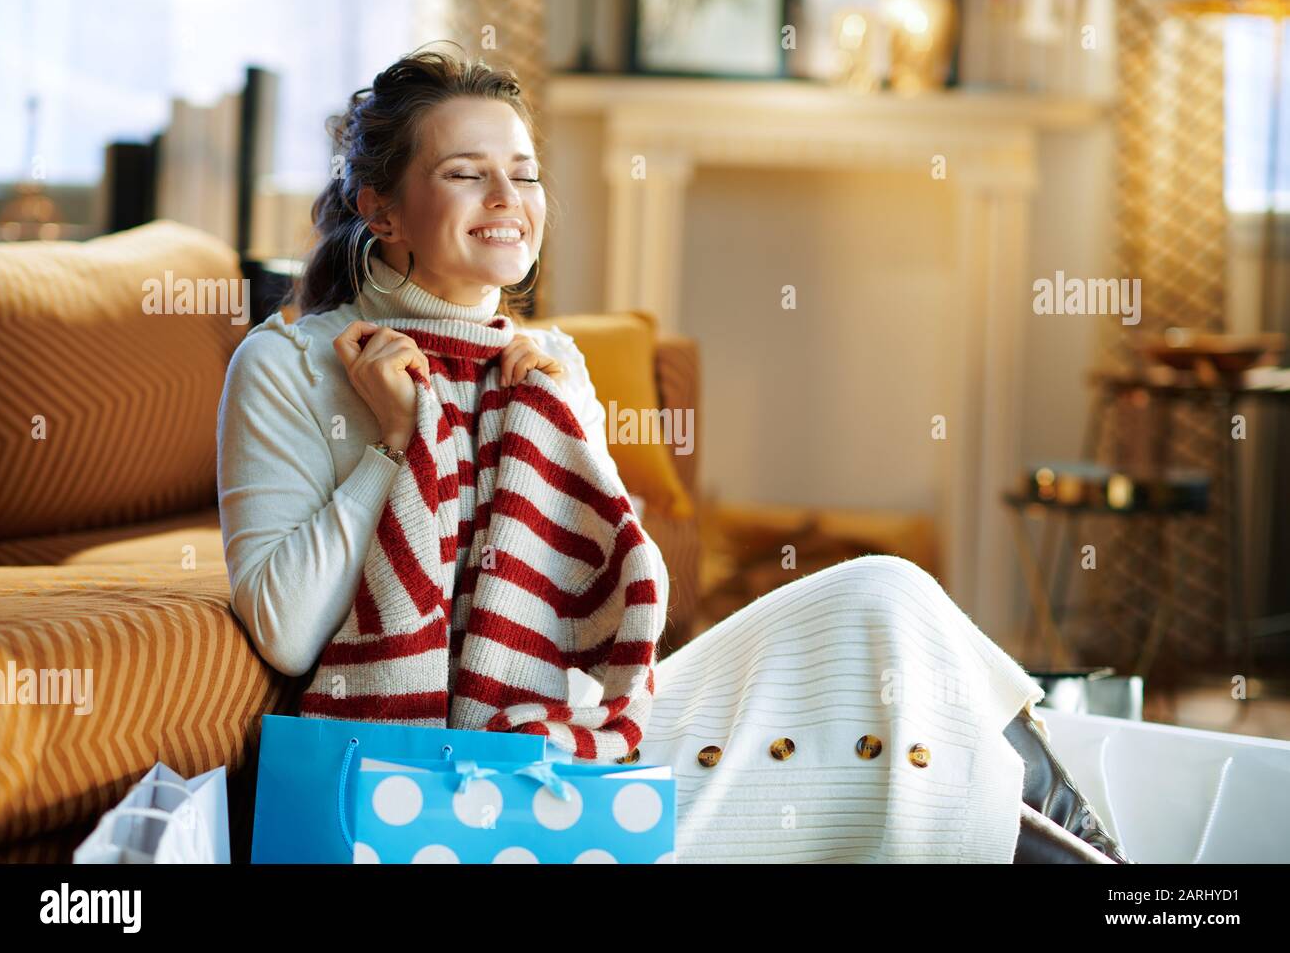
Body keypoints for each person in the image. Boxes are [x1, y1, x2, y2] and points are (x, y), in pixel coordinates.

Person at [217, 45, 1119, 863]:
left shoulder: (546, 365)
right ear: (381, 207)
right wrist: (397, 444)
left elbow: (621, 597)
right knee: (871, 759)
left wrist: (561, 417)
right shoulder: (291, 362)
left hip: (573, 744)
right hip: (433, 783)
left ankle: (1110, 864)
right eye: (466, 173)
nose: (508, 200)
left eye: (524, 175)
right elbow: (286, 629)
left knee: (884, 596)